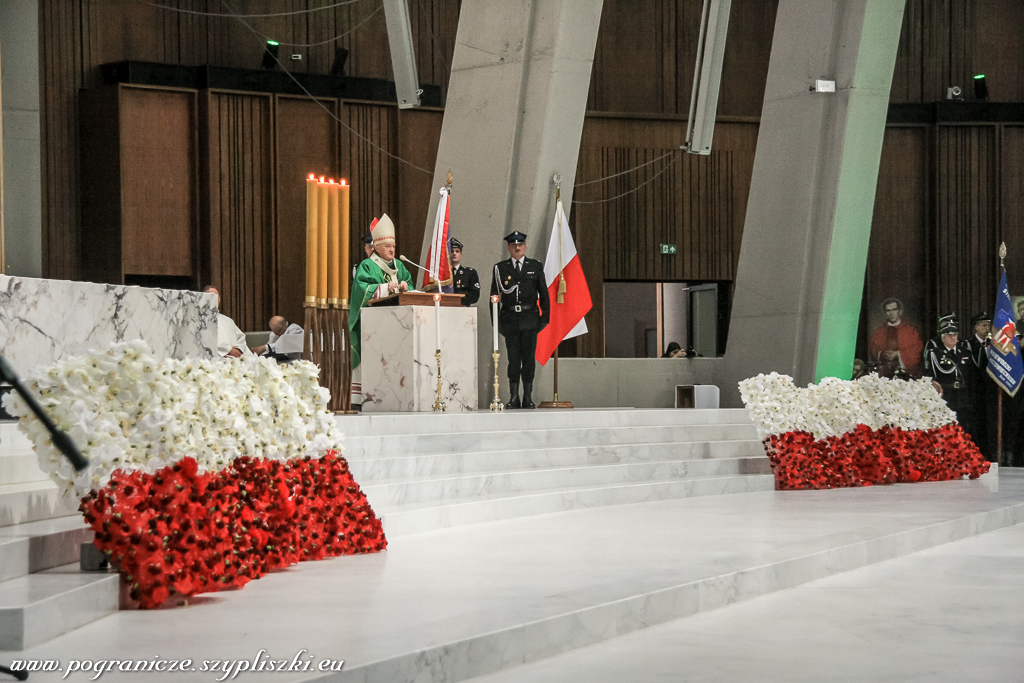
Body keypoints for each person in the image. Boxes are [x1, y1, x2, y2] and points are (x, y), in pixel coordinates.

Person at [490, 231, 549, 409]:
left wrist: (544, 318)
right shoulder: (500, 268)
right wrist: (496, 323)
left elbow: (544, 294)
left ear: (525, 246)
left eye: (520, 244)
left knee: (529, 359)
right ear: (508, 248)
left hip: (530, 318)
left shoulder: (535, 266)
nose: (517, 247)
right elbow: (493, 296)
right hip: (510, 319)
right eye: (514, 245)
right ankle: (514, 397)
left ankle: (528, 397)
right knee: (513, 359)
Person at [349, 214, 413, 372]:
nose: (392, 249)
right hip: (374, 324)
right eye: (387, 246)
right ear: (376, 247)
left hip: (400, 323)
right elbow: (360, 290)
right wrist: (384, 288)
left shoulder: (399, 264)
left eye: (393, 246)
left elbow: (410, 285)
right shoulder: (367, 265)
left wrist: (406, 287)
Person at [923, 313, 974, 432]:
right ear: (942, 336)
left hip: (963, 395)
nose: (953, 338)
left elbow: (971, 375)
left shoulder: (965, 351)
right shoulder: (935, 353)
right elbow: (931, 375)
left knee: (964, 427)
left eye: (955, 334)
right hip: (947, 395)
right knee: (947, 428)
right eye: (949, 335)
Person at [963, 312, 995, 460]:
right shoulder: (968, 345)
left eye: (988, 325)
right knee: (975, 421)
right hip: (974, 389)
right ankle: (976, 452)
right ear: (976, 327)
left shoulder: (993, 344)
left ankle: (989, 452)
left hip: (990, 390)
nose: (987, 328)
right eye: (983, 325)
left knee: (989, 421)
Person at [868, 298, 924, 378]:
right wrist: (881, 353)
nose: (891, 313)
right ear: (885, 313)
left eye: (894, 309)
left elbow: (917, 350)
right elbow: (873, 349)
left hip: (905, 374)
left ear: (899, 311)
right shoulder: (879, 331)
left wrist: (898, 354)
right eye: (888, 310)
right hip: (884, 374)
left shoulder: (910, 330)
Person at [204, 285, 253, 359]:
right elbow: (204, 341)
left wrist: (238, 349)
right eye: (209, 296)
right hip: (216, 359)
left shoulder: (228, 320)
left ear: (219, 299)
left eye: (215, 296)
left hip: (235, 358)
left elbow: (241, 338)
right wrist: (228, 350)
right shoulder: (199, 320)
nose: (213, 298)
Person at [450, 237, 480, 306]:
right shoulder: (441, 274)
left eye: (457, 251)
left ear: (461, 254)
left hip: (463, 308)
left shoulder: (469, 273)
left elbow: (475, 295)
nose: (454, 254)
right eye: (452, 251)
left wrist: (458, 298)